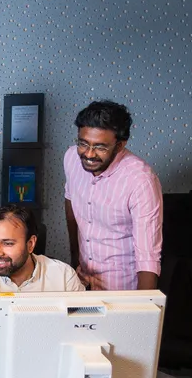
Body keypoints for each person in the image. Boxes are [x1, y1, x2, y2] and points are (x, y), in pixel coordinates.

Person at [0, 204, 83, 356]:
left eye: (8, 243)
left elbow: (82, 329)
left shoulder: (64, 276)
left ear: (30, 244)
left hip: (46, 363)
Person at [63, 100, 163, 291]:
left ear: (119, 146)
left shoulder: (141, 180)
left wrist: (145, 305)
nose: (89, 154)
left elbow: (148, 256)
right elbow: (71, 205)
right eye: (83, 143)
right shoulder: (71, 158)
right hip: (82, 281)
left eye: (100, 147)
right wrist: (74, 262)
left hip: (122, 289)